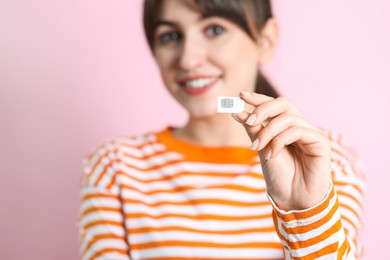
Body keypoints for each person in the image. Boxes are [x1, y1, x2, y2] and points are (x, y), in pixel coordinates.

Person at [78, 0, 365, 259]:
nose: (188, 60)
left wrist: (305, 212)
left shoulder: (325, 160)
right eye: (170, 36)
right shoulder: (115, 167)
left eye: (214, 30)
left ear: (265, 40)